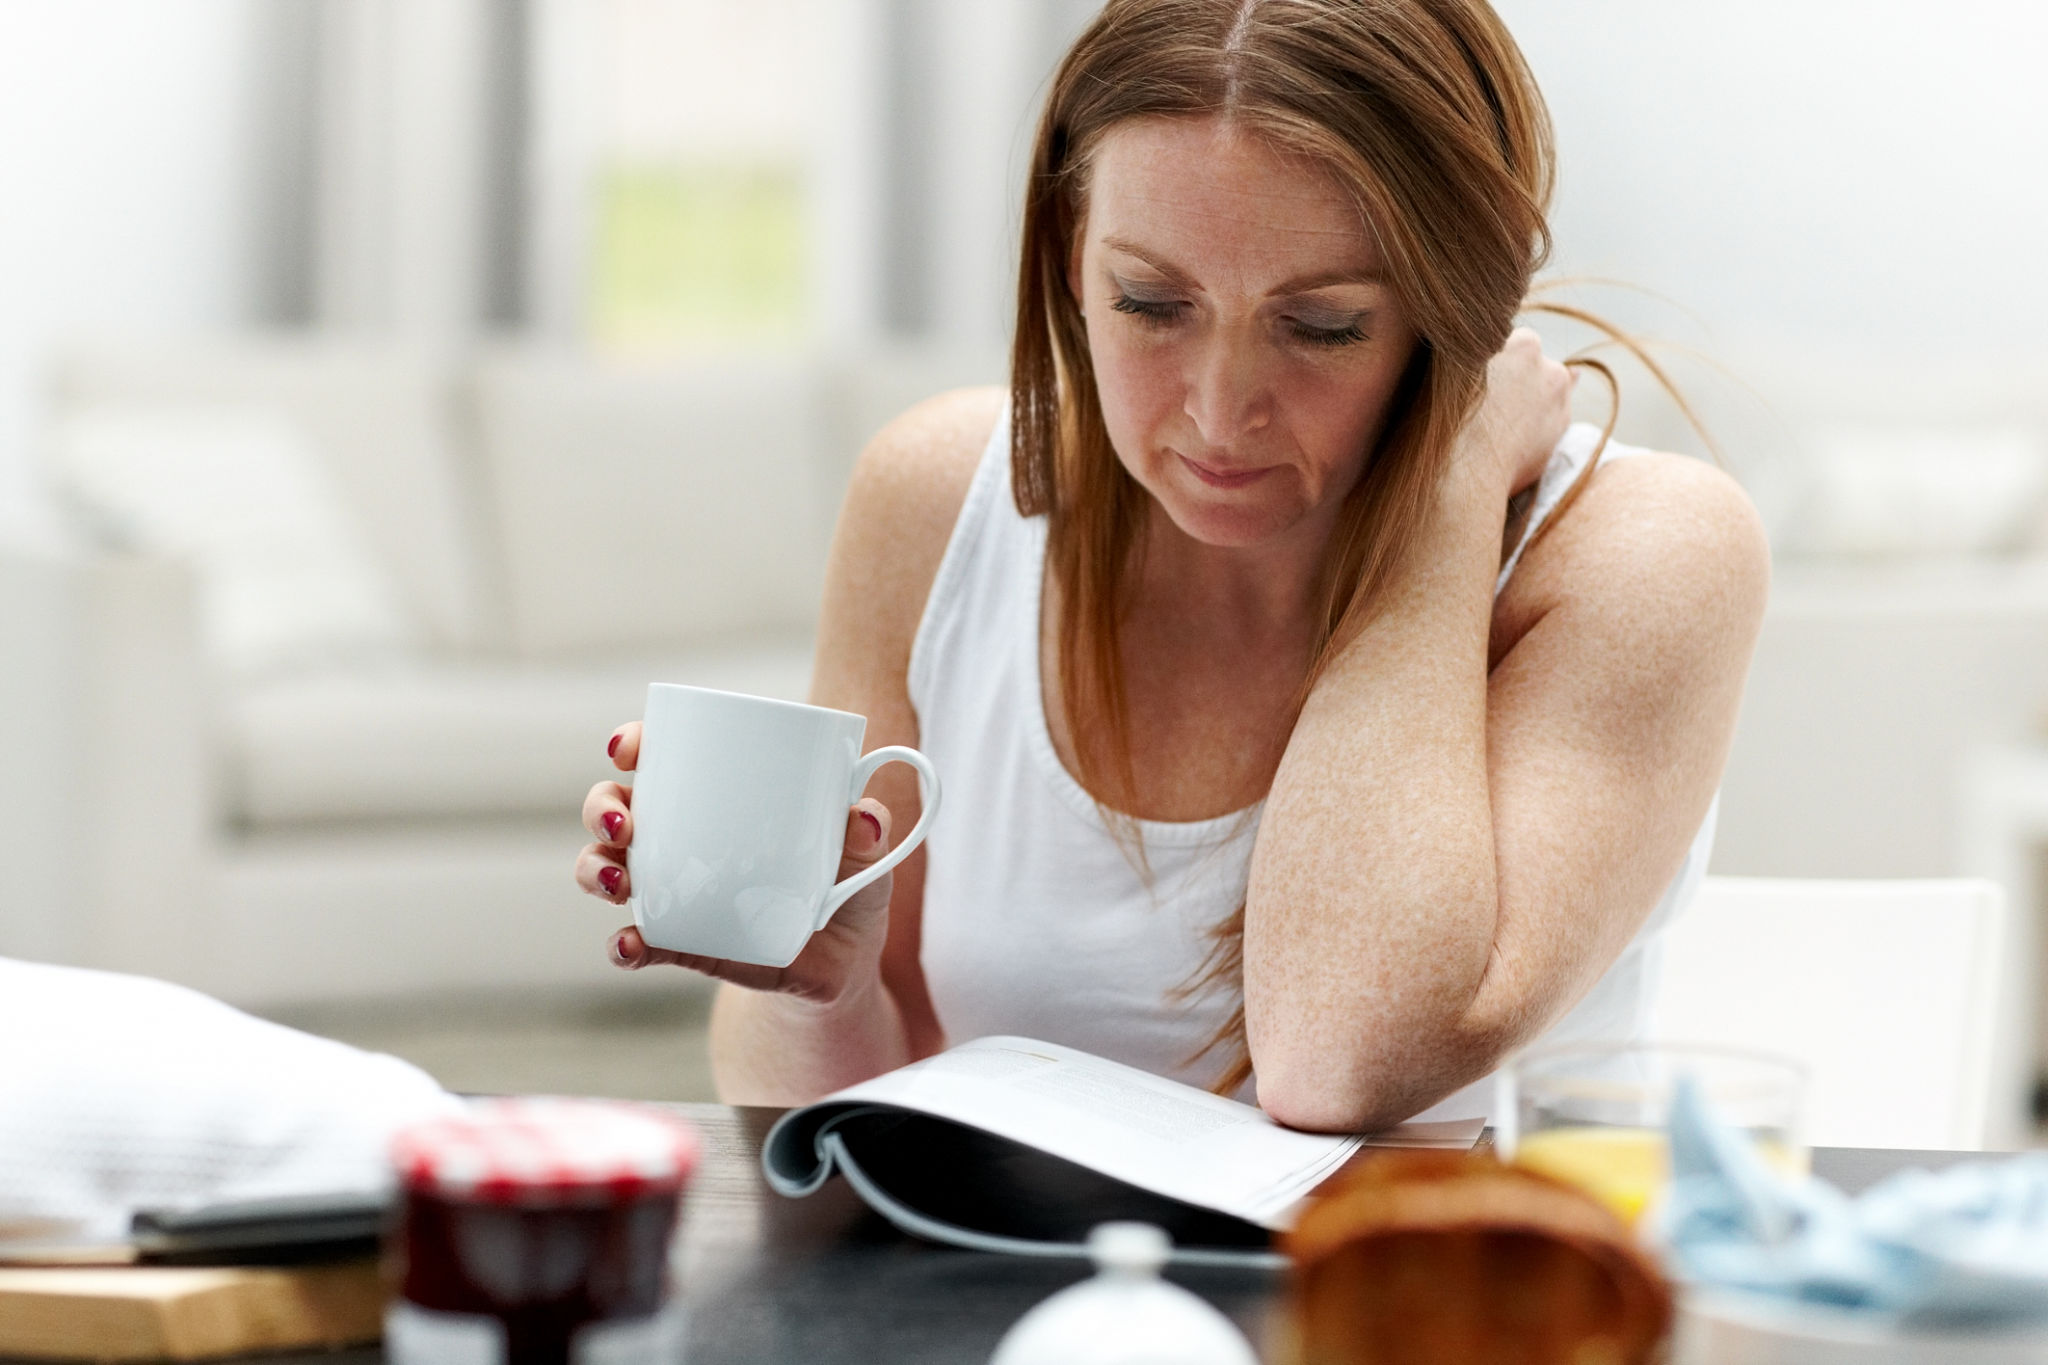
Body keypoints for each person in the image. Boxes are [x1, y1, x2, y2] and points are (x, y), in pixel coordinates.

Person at [574, 0, 1767, 1132]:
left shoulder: (1641, 555)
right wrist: (820, 991)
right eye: (1149, 303)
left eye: (1320, 326)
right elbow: (821, 1120)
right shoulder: (938, 500)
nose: (1216, 414)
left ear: (1454, 305)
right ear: (1068, 258)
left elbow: (1337, 1058)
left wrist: (1448, 501)